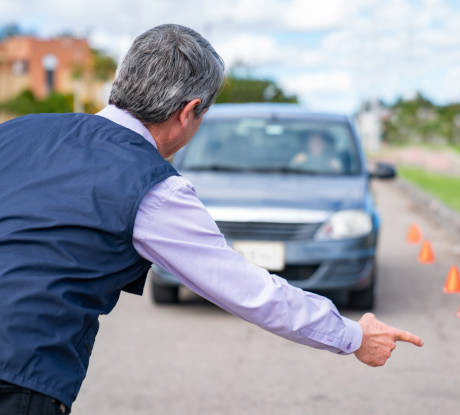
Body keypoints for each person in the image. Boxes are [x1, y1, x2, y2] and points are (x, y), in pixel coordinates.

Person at [0, 24, 423, 414]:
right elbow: (249, 290)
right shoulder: (153, 186)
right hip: (19, 374)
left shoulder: (18, 133)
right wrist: (353, 338)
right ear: (190, 110)